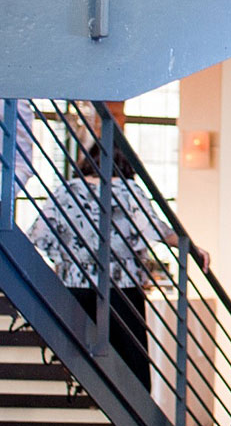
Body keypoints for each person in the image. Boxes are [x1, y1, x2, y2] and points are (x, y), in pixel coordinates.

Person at [33, 109, 158, 394]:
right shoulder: (129, 191)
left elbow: (39, 234)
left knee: (78, 354)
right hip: (121, 286)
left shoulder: (66, 190)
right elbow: (155, 230)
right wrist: (191, 246)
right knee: (132, 359)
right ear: (126, 165)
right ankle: (135, 415)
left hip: (74, 285)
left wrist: (62, 260)